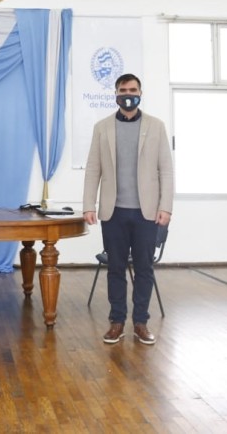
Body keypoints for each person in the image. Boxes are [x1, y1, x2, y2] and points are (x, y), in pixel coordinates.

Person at [82, 73, 173, 346]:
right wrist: (89, 204)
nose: (128, 94)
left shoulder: (156, 127)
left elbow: (166, 170)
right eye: (123, 90)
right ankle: (117, 321)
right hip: (113, 212)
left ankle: (141, 323)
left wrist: (165, 207)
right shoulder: (102, 127)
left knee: (144, 269)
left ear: (141, 93)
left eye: (133, 89)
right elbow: (93, 169)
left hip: (147, 212)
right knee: (115, 269)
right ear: (116, 94)